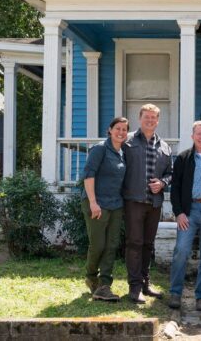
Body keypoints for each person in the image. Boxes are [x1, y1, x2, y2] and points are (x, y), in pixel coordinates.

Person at [169, 120, 201, 311]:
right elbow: (174, 188)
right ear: (192, 136)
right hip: (189, 211)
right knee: (181, 251)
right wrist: (179, 213)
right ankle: (175, 293)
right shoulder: (184, 158)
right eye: (198, 134)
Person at [123, 104, 172, 304]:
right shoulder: (127, 141)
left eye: (154, 118)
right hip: (133, 201)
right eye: (146, 117)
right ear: (140, 118)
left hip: (154, 203)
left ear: (158, 120)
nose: (150, 120)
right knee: (134, 243)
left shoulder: (165, 146)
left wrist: (162, 183)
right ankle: (134, 288)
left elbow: (170, 173)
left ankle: (145, 283)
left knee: (147, 244)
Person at [81, 116, 129, 301]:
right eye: (118, 128)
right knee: (98, 244)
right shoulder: (100, 149)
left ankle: (104, 285)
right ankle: (91, 276)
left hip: (116, 204)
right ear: (110, 130)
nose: (121, 132)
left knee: (111, 245)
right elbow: (89, 175)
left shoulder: (123, 152)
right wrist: (93, 202)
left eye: (124, 129)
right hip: (97, 203)